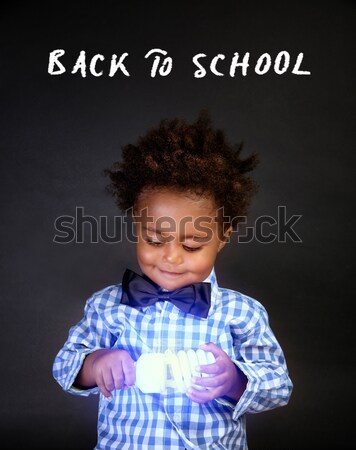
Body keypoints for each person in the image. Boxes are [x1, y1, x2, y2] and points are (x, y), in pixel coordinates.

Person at [53, 111, 293, 449]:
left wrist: (236, 379)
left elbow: (279, 385)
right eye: (154, 240)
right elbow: (65, 364)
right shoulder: (106, 305)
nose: (172, 257)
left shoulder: (243, 314)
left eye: (192, 244)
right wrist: (95, 364)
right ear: (137, 228)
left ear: (222, 237)